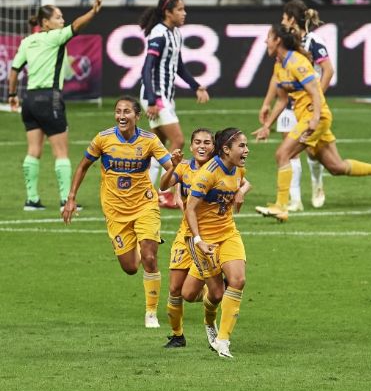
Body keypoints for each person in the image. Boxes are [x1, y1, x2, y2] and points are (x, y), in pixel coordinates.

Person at [253, 25, 371, 222]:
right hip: (306, 116)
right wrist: (267, 125)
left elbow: (315, 91)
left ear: (277, 40)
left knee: (283, 154)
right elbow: (282, 100)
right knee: (335, 167)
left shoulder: (298, 62)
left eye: (268, 38)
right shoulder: (279, 65)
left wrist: (314, 118)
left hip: (315, 117)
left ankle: (281, 206)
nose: (265, 42)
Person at [62, 96, 173, 328]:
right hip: (115, 210)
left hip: (145, 205)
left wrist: (179, 176)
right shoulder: (103, 139)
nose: (121, 116)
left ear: (137, 116)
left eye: (127, 112)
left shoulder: (150, 140)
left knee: (150, 258)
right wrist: (71, 198)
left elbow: (171, 167)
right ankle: (146, 243)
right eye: (118, 111)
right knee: (131, 268)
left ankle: (151, 313)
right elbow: (83, 165)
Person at [8, 0, 102, 211]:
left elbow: (14, 70)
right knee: (61, 152)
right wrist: (93, 11)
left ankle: (31, 200)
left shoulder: (27, 41)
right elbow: (77, 26)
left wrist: (13, 94)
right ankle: (65, 201)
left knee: (33, 150)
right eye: (58, 17)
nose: (63, 20)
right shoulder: (54, 37)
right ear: (46, 22)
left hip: (29, 100)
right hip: (50, 98)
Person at [258, 0, 333, 212]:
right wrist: (267, 103)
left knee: (311, 151)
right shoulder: (284, 45)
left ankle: (317, 185)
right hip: (288, 103)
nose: (282, 20)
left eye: (284, 17)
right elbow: (276, 77)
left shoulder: (313, 41)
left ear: (291, 19)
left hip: (308, 104)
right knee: (289, 151)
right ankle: (295, 199)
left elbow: (328, 70)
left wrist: (317, 98)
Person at [138, 0, 210, 209]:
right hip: (156, 97)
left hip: (165, 96)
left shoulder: (176, 34)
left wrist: (196, 86)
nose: (184, 13)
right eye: (179, 9)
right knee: (177, 140)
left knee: (156, 146)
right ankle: (165, 192)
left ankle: (147, 193)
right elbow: (147, 67)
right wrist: (152, 99)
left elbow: (179, 67)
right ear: (168, 12)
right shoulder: (159, 35)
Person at [184, 128, 251, 358]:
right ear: (226, 150)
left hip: (228, 233)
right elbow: (190, 208)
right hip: (205, 239)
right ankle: (209, 320)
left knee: (238, 280)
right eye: (241, 146)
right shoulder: (207, 174)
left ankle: (223, 341)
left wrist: (241, 191)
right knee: (210, 294)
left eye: (246, 145)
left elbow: (244, 182)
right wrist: (198, 240)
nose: (246, 150)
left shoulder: (238, 168)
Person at [158, 128, 220, 348]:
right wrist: (173, 165)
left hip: (209, 236)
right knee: (176, 290)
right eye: (197, 142)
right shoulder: (184, 167)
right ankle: (177, 335)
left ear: (214, 147)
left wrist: (242, 192)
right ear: (191, 146)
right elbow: (163, 186)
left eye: (207, 143)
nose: (202, 146)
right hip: (185, 235)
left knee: (190, 292)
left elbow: (243, 181)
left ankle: (213, 306)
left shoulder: (219, 168)